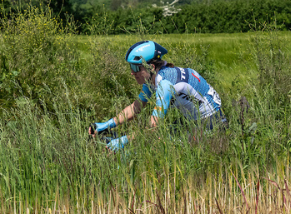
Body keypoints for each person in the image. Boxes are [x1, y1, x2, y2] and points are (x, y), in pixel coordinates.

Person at [89, 41, 225, 151]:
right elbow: (135, 108)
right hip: (194, 119)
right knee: (154, 141)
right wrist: (106, 125)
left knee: (156, 145)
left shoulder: (165, 84)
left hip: (211, 123)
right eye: (131, 67)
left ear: (151, 67)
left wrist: (124, 139)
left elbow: (153, 127)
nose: (132, 72)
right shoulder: (154, 78)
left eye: (136, 68)